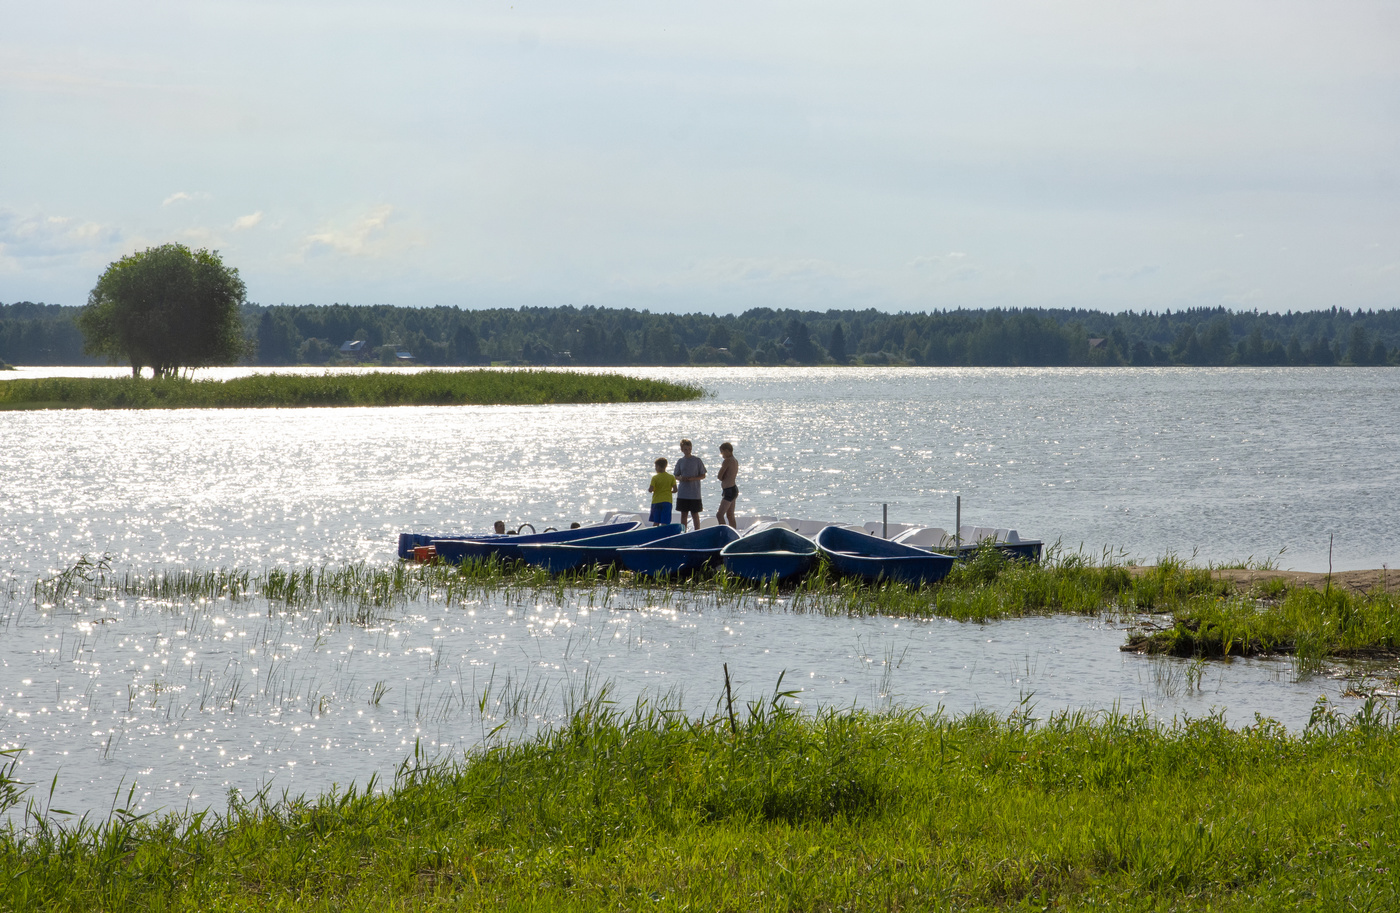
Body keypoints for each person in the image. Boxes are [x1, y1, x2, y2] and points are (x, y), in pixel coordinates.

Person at [673, 438, 707, 530]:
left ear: (691, 448)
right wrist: (681, 478)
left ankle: (697, 531)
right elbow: (676, 475)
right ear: (682, 450)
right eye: (685, 449)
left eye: (689, 449)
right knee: (684, 514)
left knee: (695, 514)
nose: (687, 451)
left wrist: (693, 478)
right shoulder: (680, 461)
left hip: (694, 493)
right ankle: (683, 531)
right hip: (683, 492)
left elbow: (703, 475)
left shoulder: (697, 460)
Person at [715, 441, 739, 529]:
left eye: (722, 452)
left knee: (719, 514)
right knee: (730, 515)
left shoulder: (727, 461)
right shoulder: (735, 460)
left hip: (729, 490)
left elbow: (720, 476)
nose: (721, 454)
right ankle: (734, 533)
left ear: (727, 451)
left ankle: (724, 532)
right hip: (733, 489)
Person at [647, 457, 676, 526]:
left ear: (658, 466)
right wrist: (668, 491)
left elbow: (651, 489)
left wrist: (650, 490)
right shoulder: (671, 477)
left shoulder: (655, 478)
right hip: (667, 501)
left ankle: (654, 535)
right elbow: (675, 490)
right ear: (666, 466)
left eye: (655, 467)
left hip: (656, 501)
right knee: (665, 522)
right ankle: (664, 535)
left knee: (656, 522)